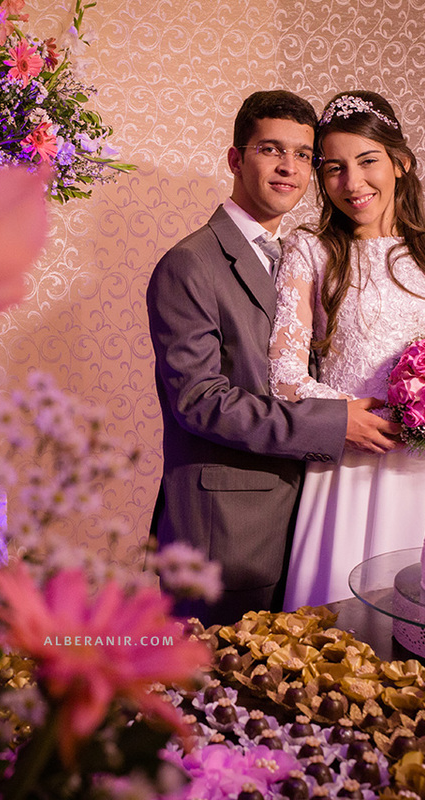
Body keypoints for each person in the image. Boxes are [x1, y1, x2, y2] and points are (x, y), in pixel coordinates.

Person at [147, 90, 399, 626]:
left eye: (304, 155)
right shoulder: (190, 263)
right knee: (213, 692)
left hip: (312, 512)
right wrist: (334, 422)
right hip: (229, 527)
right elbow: (201, 402)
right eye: (270, 150)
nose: (289, 168)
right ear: (236, 159)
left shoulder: (306, 256)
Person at [269, 90, 425, 608]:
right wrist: (349, 417)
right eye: (334, 168)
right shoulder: (310, 250)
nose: (352, 183)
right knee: (342, 624)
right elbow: (284, 374)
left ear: (400, 162)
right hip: (352, 462)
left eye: (368, 162)